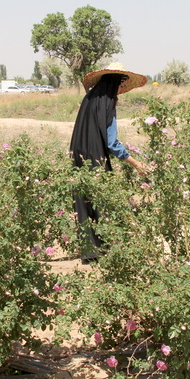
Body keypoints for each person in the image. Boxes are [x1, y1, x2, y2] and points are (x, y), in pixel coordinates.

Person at [69, 62, 149, 263]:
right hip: (96, 158)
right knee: (104, 200)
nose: (121, 89)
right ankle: (110, 249)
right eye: (121, 83)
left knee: (85, 201)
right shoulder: (108, 104)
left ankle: (91, 251)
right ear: (116, 83)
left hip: (79, 156)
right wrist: (136, 163)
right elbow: (112, 143)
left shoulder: (89, 99)